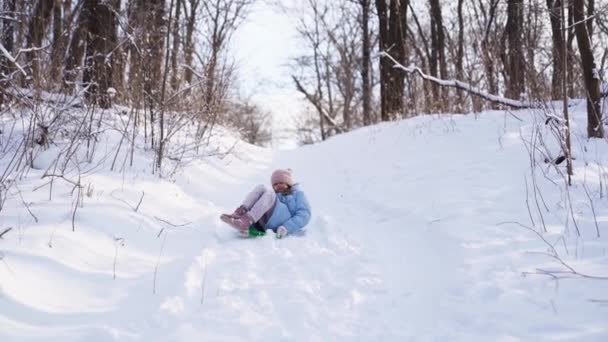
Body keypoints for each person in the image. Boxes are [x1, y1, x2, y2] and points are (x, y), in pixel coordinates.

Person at [220, 169, 311, 238]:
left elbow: (304, 214)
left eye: (281, 183)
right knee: (261, 188)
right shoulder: (274, 195)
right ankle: (240, 213)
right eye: (275, 184)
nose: (277, 186)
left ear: (288, 184)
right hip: (268, 220)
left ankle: (247, 221)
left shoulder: (297, 194)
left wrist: (286, 227)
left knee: (269, 193)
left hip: (283, 221)